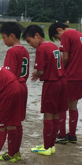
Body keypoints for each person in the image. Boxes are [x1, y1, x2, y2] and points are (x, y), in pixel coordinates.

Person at [23, 25, 66, 156]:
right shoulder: (53, 45)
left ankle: (47, 147)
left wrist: (36, 73)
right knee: (56, 114)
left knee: (48, 114)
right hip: (62, 82)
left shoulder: (41, 48)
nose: (30, 45)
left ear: (37, 35)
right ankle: (51, 145)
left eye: (30, 41)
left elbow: (40, 70)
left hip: (52, 83)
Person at [48, 22, 82, 144]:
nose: (59, 40)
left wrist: (60, 71)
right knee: (73, 105)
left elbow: (64, 58)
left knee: (62, 106)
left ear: (59, 30)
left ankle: (61, 135)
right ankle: (72, 135)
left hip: (72, 75)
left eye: (57, 37)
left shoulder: (67, 35)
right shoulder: (79, 34)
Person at [0, 22, 30, 162]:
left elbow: (8, 74)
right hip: (23, 86)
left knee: (10, 122)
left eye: (4, 37)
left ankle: (11, 153)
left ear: (12, 36)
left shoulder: (12, 51)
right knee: (17, 122)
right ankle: (16, 152)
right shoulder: (25, 50)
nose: (3, 40)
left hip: (13, 87)